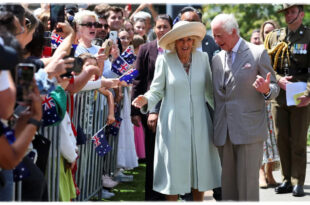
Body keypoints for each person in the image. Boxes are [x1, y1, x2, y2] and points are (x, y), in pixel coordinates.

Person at [132, 21, 221, 201]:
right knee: (173, 171)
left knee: (199, 169)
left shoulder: (202, 58)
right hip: (172, 122)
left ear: (194, 41)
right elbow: (156, 90)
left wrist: (223, 113)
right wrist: (146, 99)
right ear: (174, 42)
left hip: (200, 122)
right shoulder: (165, 59)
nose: (185, 44)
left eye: (189, 40)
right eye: (181, 40)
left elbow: (210, 92)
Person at [210, 13, 279, 201]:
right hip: (223, 132)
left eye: (219, 36)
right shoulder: (216, 59)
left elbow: (274, 88)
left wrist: (266, 90)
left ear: (233, 32)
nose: (216, 40)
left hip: (249, 131)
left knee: (248, 189)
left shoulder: (257, 53)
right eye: (214, 36)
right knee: (228, 189)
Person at [264, 4, 310, 197]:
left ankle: (298, 181)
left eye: (292, 12)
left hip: (300, 90)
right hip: (280, 92)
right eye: (286, 12)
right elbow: (265, 63)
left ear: (301, 14)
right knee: (281, 138)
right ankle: (286, 179)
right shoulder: (274, 36)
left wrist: (308, 92)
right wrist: (277, 78)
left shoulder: (308, 36)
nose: (288, 15)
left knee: (298, 139)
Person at [131, 14, 173, 201]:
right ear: (154, 29)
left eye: (165, 26)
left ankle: (171, 193)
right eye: (159, 26)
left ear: (171, 28)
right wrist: (135, 111)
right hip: (150, 110)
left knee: (171, 155)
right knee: (152, 155)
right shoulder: (146, 49)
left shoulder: (176, 49)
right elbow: (138, 80)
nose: (162, 30)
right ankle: (152, 197)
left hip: (172, 108)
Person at [258, 19, 281, 189]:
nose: (270, 34)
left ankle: (269, 172)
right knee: (262, 138)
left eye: (273, 30)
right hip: (261, 100)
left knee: (274, 138)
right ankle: (260, 174)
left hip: (279, 99)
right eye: (267, 31)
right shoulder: (257, 51)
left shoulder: (282, 50)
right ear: (262, 34)